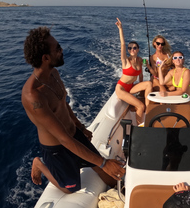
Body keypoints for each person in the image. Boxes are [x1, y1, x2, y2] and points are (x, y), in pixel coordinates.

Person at [21, 26, 125, 194]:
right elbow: (63, 139)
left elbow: (64, 104)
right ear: (46, 58)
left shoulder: (54, 74)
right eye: (58, 48)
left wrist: (81, 127)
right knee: (70, 189)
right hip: (57, 148)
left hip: (73, 133)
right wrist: (104, 163)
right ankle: (39, 164)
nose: (62, 50)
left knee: (104, 172)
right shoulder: (33, 96)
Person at [114, 18, 153, 126]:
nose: (132, 49)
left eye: (134, 48)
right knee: (140, 106)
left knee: (149, 83)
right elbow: (122, 44)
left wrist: (141, 90)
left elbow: (140, 76)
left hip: (131, 87)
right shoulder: (125, 60)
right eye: (130, 48)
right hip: (121, 88)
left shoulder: (140, 60)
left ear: (138, 49)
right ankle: (140, 128)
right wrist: (120, 28)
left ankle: (149, 109)